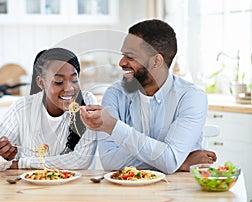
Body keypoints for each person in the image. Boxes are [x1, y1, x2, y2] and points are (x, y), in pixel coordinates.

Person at [80, 19, 217, 174]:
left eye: (130, 57)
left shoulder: (191, 97)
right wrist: (178, 162)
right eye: (123, 55)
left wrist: (114, 126)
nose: (121, 62)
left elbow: (170, 160)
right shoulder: (115, 94)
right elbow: (110, 161)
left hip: (178, 190)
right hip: (128, 189)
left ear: (156, 61)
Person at [0, 47, 97, 171]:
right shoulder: (22, 109)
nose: (69, 88)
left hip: (76, 187)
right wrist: (2, 157)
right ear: (41, 82)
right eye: (58, 81)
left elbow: (81, 159)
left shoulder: (86, 102)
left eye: (74, 80)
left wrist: (22, 164)